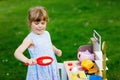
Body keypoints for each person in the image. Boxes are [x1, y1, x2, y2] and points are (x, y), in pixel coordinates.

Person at [14, 6, 62, 80]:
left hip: (51, 66)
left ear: (46, 22)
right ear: (30, 23)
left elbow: (49, 45)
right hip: (39, 70)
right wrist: (27, 60)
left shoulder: (46, 33)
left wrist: (56, 50)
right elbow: (17, 53)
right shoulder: (30, 39)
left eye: (43, 23)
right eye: (36, 23)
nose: (40, 26)